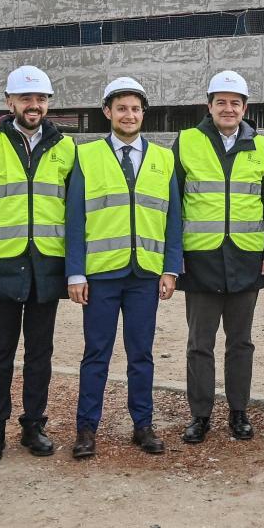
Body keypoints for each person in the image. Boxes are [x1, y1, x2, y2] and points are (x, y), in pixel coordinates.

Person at [66, 77, 182, 459]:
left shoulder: (164, 159)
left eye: (135, 109)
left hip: (144, 275)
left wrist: (171, 269)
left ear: (143, 113)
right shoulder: (85, 156)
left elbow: (173, 219)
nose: (129, 115)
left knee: (141, 354)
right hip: (100, 275)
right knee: (96, 353)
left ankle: (143, 425)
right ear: (107, 113)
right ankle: (86, 429)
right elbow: (75, 217)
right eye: (121, 108)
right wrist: (76, 272)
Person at [0, 66, 73, 463]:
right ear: (9, 102)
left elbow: (72, 209)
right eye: (26, 98)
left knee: (40, 352)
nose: (34, 105)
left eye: (41, 99)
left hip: (47, 265)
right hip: (2, 265)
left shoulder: (65, 148)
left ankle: (33, 425)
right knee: (0, 352)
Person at [176, 70, 264, 443]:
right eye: (220, 102)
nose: (228, 108)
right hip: (200, 259)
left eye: (235, 103)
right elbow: (174, 203)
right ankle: (200, 415)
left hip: (245, 259)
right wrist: (175, 257)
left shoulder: (262, 145)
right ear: (209, 106)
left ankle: (239, 412)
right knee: (199, 343)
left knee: (241, 342)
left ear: (245, 108)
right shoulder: (187, 141)